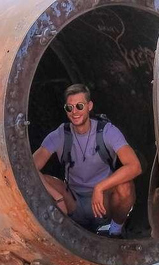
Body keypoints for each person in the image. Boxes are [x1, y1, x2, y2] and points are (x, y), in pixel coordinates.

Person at [33, 84, 142, 237]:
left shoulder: (107, 131)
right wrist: (56, 196)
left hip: (103, 201)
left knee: (125, 185)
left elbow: (135, 166)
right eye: (69, 108)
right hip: (73, 201)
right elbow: (29, 168)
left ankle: (115, 231)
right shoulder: (60, 134)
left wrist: (100, 187)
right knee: (42, 180)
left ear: (89, 106)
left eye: (79, 106)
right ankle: (59, 229)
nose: (74, 112)